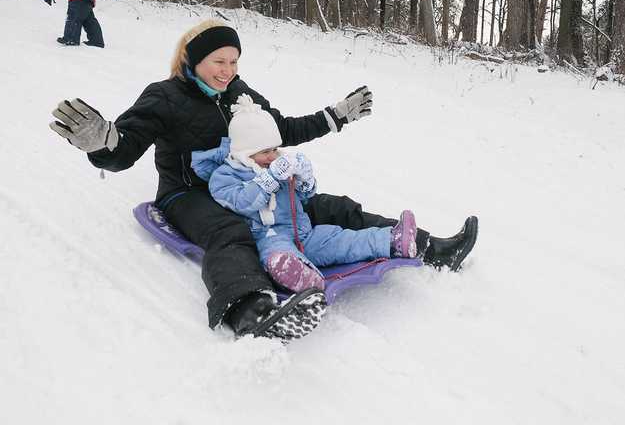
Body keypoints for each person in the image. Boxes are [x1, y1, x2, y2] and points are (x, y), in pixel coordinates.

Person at [49, 19, 478, 342]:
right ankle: (247, 307)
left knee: (328, 206)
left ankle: (426, 245)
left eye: (234, 61)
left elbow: (279, 131)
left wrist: (335, 116)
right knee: (229, 230)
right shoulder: (164, 96)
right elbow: (124, 148)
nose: (227, 70)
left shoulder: (239, 91)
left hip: (251, 177)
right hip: (189, 193)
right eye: (219, 61)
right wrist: (101, 142)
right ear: (192, 60)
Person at [192, 94, 419, 294]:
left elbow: (303, 198)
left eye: (274, 149)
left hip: (304, 233)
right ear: (243, 152)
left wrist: (304, 179)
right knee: (279, 255)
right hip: (267, 238)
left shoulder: (276, 164)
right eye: (264, 152)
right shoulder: (223, 177)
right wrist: (270, 178)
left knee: (340, 239)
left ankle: (391, 240)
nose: (272, 156)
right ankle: (298, 276)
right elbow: (242, 202)